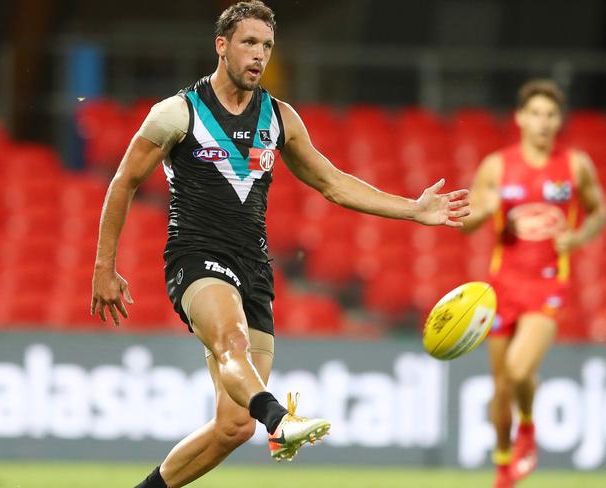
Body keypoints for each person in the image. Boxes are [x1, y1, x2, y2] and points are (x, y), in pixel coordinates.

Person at [91, 2, 470, 487]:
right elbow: (123, 183)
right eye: (249, 43)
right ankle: (282, 421)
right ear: (222, 46)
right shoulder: (176, 113)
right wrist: (105, 266)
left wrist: (413, 209)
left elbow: (332, 183)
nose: (259, 55)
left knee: (232, 427)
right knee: (232, 342)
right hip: (196, 259)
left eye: (267, 46)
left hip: (254, 270)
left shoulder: (279, 118)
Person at [461, 79, 605, 488]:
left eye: (551, 115)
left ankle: (528, 427)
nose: (543, 122)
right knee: (501, 386)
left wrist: (578, 237)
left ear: (559, 121)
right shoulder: (497, 166)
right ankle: (505, 464)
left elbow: (597, 212)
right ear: (521, 118)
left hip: (548, 286)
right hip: (502, 286)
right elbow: (465, 227)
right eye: (536, 114)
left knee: (519, 369)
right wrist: (483, 210)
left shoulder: (575, 165)